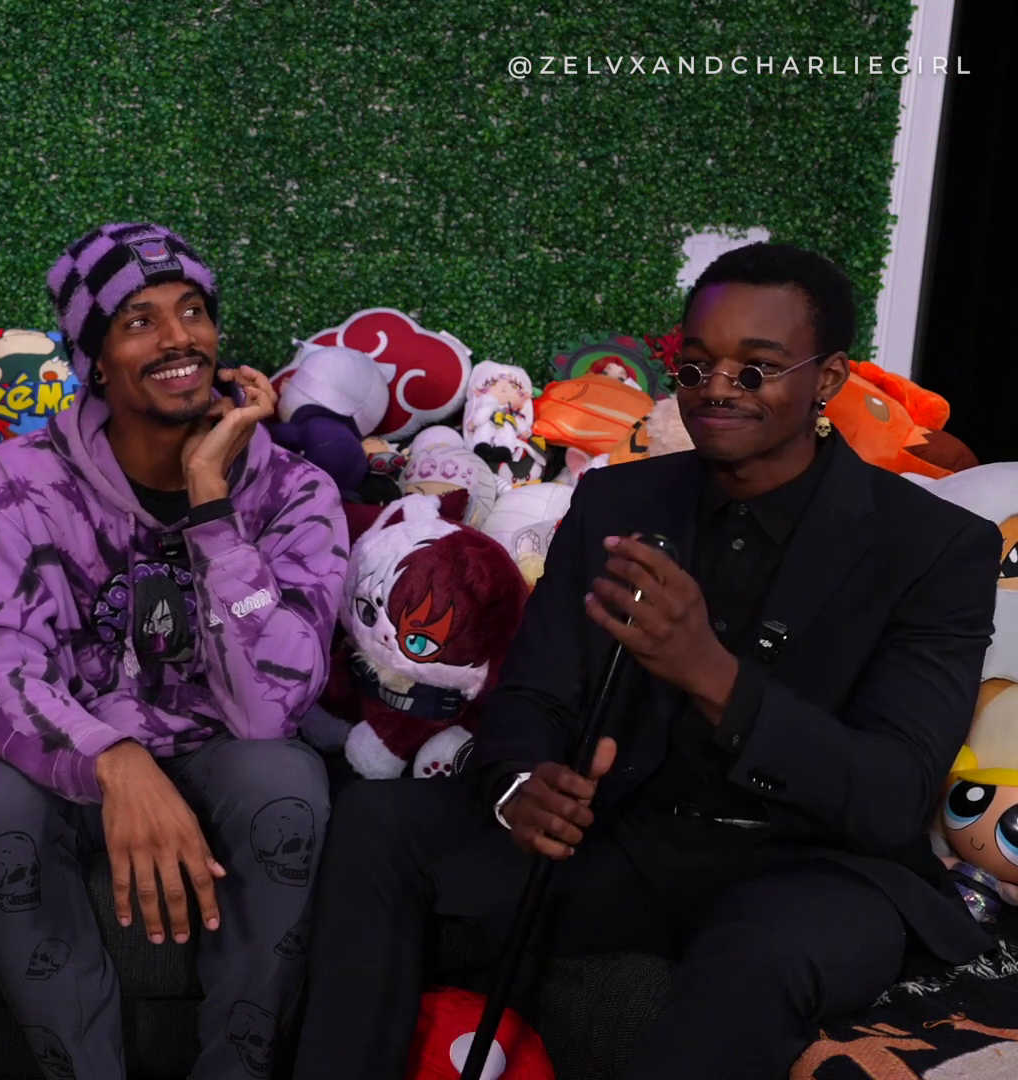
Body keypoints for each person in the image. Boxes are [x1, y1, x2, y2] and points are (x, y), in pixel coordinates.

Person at [294, 242, 1002, 1079]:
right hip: (627, 835)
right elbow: (533, 694)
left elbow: (890, 795)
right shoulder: (618, 501)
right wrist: (519, 786)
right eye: (696, 366)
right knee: (382, 822)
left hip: (819, 863)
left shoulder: (934, 546)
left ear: (829, 379)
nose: (716, 389)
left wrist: (711, 673)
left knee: (759, 955)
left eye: (755, 369)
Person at [0, 223, 349, 1080]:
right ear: (95, 360)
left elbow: (271, 709)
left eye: (193, 311)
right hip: (79, 754)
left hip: (218, 747)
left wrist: (212, 508)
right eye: (139, 321)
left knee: (284, 786)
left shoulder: (294, 491)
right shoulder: (20, 481)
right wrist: (115, 761)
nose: (178, 339)